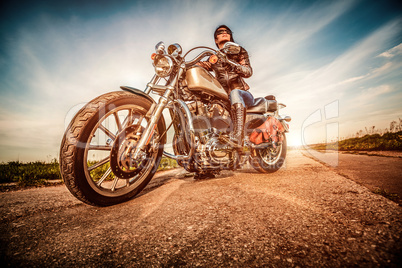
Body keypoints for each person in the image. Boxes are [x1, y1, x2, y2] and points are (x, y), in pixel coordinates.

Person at [197, 25, 254, 150]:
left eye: (227, 31)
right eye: (220, 32)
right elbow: (202, 65)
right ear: (216, 40)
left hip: (243, 95)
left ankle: (239, 137)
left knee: (234, 93)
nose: (224, 32)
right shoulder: (215, 58)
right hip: (224, 98)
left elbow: (248, 72)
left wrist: (232, 64)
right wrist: (183, 65)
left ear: (230, 36)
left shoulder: (239, 51)